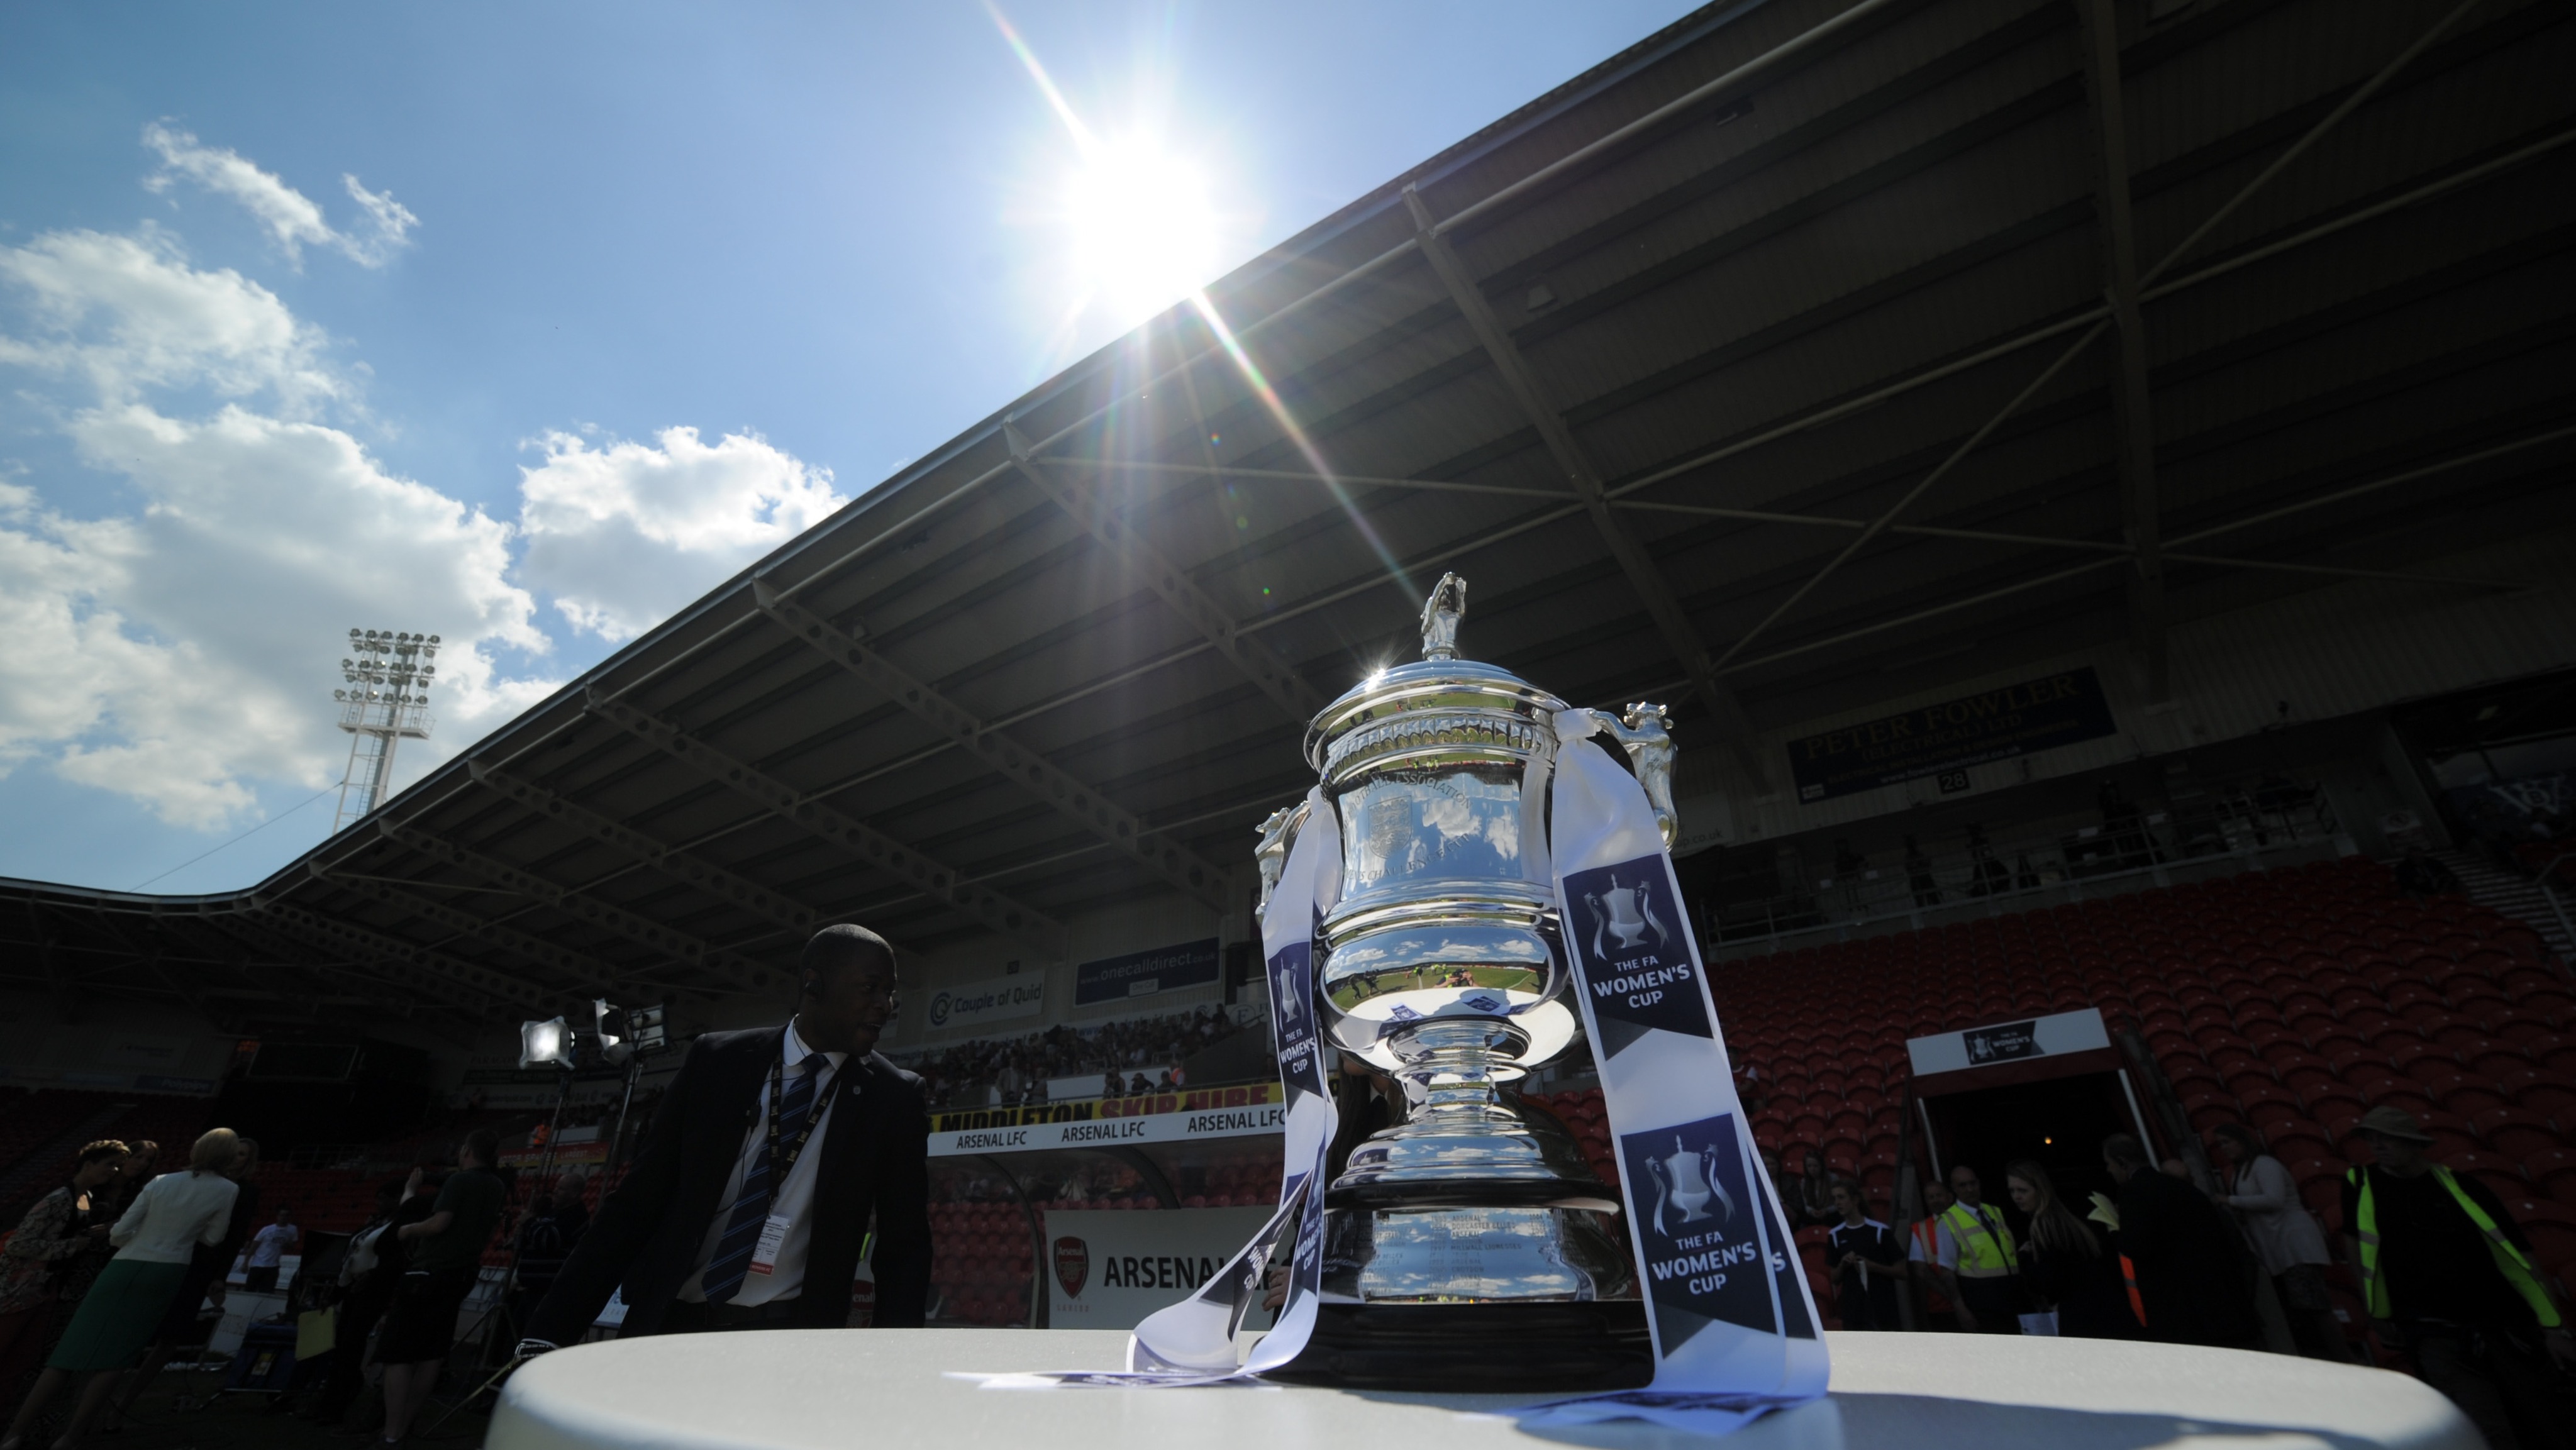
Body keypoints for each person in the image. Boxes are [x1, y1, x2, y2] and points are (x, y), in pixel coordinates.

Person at [519, 924, 930, 1353]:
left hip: (786, 1341)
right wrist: (550, 1331)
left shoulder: (895, 1097)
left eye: (890, 993)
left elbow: (905, 1247)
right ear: (814, 984)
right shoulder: (717, 1061)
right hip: (667, 1323)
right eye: (871, 988)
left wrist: (895, 1360)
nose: (885, 1006)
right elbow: (637, 1203)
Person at [2340, 1106, 2572, 1450]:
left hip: (2502, 1324)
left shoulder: (2464, 1187)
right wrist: (2376, 1312)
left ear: (2413, 1144)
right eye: (2372, 1139)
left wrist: (2553, 1327)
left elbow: (2520, 1257)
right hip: (2432, 1328)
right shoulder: (2360, 1185)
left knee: (2542, 1421)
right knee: (2481, 1427)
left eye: (2387, 1138)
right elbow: (2358, 1255)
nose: (2377, 1146)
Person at [1, 1129, 238, 1450]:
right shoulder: (228, 1189)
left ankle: (14, 1434)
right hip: (168, 1269)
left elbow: (121, 1231)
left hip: (124, 1264)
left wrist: (139, 1238)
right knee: (116, 1360)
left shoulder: (160, 1182)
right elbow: (214, 1238)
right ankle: (70, 1437)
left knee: (64, 1356)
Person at [103, 1136, 264, 1432]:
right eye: (233, 1152)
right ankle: (102, 1399)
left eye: (242, 1155)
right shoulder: (183, 1180)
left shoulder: (242, 1192)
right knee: (133, 1332)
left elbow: (232, 1237)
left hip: (199, 1266)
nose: (235, 1158)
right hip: (171, 1257)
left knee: (169, 1338)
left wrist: (218, 1277)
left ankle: (122, 1404)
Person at [375, 1129, 507, 1448]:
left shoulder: (460, 1182)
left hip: (429, 1272)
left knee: (399, 1355)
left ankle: (391, 1433)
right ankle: (404, 1428)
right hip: (461, 1274)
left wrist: (407, 1229)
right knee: (432, 1354)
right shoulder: (497, 1186)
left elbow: (438, 1224)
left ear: (466, 1151)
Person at [2100, 1134, 2259, 1348]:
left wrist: (2114, 1230)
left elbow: (2138, 1246)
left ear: (2122, 1162)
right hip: (2218, 1301)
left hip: (2177, 1306)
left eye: (2109, 1164)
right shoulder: (2185, 1189)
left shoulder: (2133, 1192)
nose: (2109, 1170)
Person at [0, 1143, 127, 1397]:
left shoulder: (85, 1199)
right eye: (110, 1164)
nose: (114, 1170)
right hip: (17, 1291)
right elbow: (19, 1245)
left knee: (20, 1358)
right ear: (88, 1164)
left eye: (117, 1166)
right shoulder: (58, 1198)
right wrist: (73, 1245)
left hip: (40, 1289)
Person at [2210, 1123, 2345, 1361]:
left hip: (2294, 1244)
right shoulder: (2242, 1171)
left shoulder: (2265, 1164)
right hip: (2279, 1246)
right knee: (2304, 1311)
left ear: (2242, 1140)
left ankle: (2343, 1358)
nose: (2224, 1149)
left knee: (2315, 1308)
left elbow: (2274, 1199)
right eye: (2221, 1144)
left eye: (2227, 1142)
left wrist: (2230, 1200)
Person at [2006, 1159, 2135, 1339]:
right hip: (2108, 1309)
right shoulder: (2066, 1216)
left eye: (2023, 1191)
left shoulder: (2044, 1224)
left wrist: (2025, 1259)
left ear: (2039, 1190)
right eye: (2012, 1191)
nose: (2016, 1197)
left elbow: (2051, 1283)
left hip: (2083, 1318)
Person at [1927, 1165, 2021, 1334]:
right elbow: (1947, 1270)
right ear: (1954, 1189)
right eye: (1963, 1185)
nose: (1970, 1189)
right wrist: (1960, 1308)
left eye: (1973, 1183)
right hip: (1982, 1297)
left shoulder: (1995, 1212)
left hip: (2013, 1292)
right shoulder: (1948, 1221)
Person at [1823, 1181, 1902, 1330]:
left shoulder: (1880, 1231)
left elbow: (1901, 1271)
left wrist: (1872, 1267)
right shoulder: (1835, 1235)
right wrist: (1843, 1264)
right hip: (1853, 1308)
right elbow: (1834, 1278)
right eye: (1835, 1199)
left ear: (1855, 1200)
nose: (1837, 1203)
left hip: (1882, 1304)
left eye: (1841, 1197)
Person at [1904, 1176, 1958, 1330]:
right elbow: (1921, 1271)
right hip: (1941, 1306)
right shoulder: (1920, 1229)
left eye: (1939, 1195)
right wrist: (1954, 1298)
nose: (1935, 1200)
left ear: (1949, 1197)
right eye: (1931, 1197)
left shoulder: (1962, 1220)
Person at [241, 1206, 297, 1295]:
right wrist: (245, 1263)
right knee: (250, 1291)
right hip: (258, 1265)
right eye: (282, 1215)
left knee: (267, 1292)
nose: (284, 1218)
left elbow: (292, 1244)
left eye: (286, 1215)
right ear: (277, 1216)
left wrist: (287, 1245)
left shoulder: (292, 1229)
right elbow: (254, 1247)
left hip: (273, 1267)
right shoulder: (267, 1230)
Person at [1795, 1151, 1836, 1228]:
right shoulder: (1804, 1182)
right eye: (1809, 1166)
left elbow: (1837, 1203)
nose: (1812, 1169)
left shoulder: (1833, 1179)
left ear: (1821, 1166)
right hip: (1813, 1213)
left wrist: (1827, 1210)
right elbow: (1805, 1204)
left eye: (1815, 1166)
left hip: (1830, 1213)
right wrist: (1812, 1211)